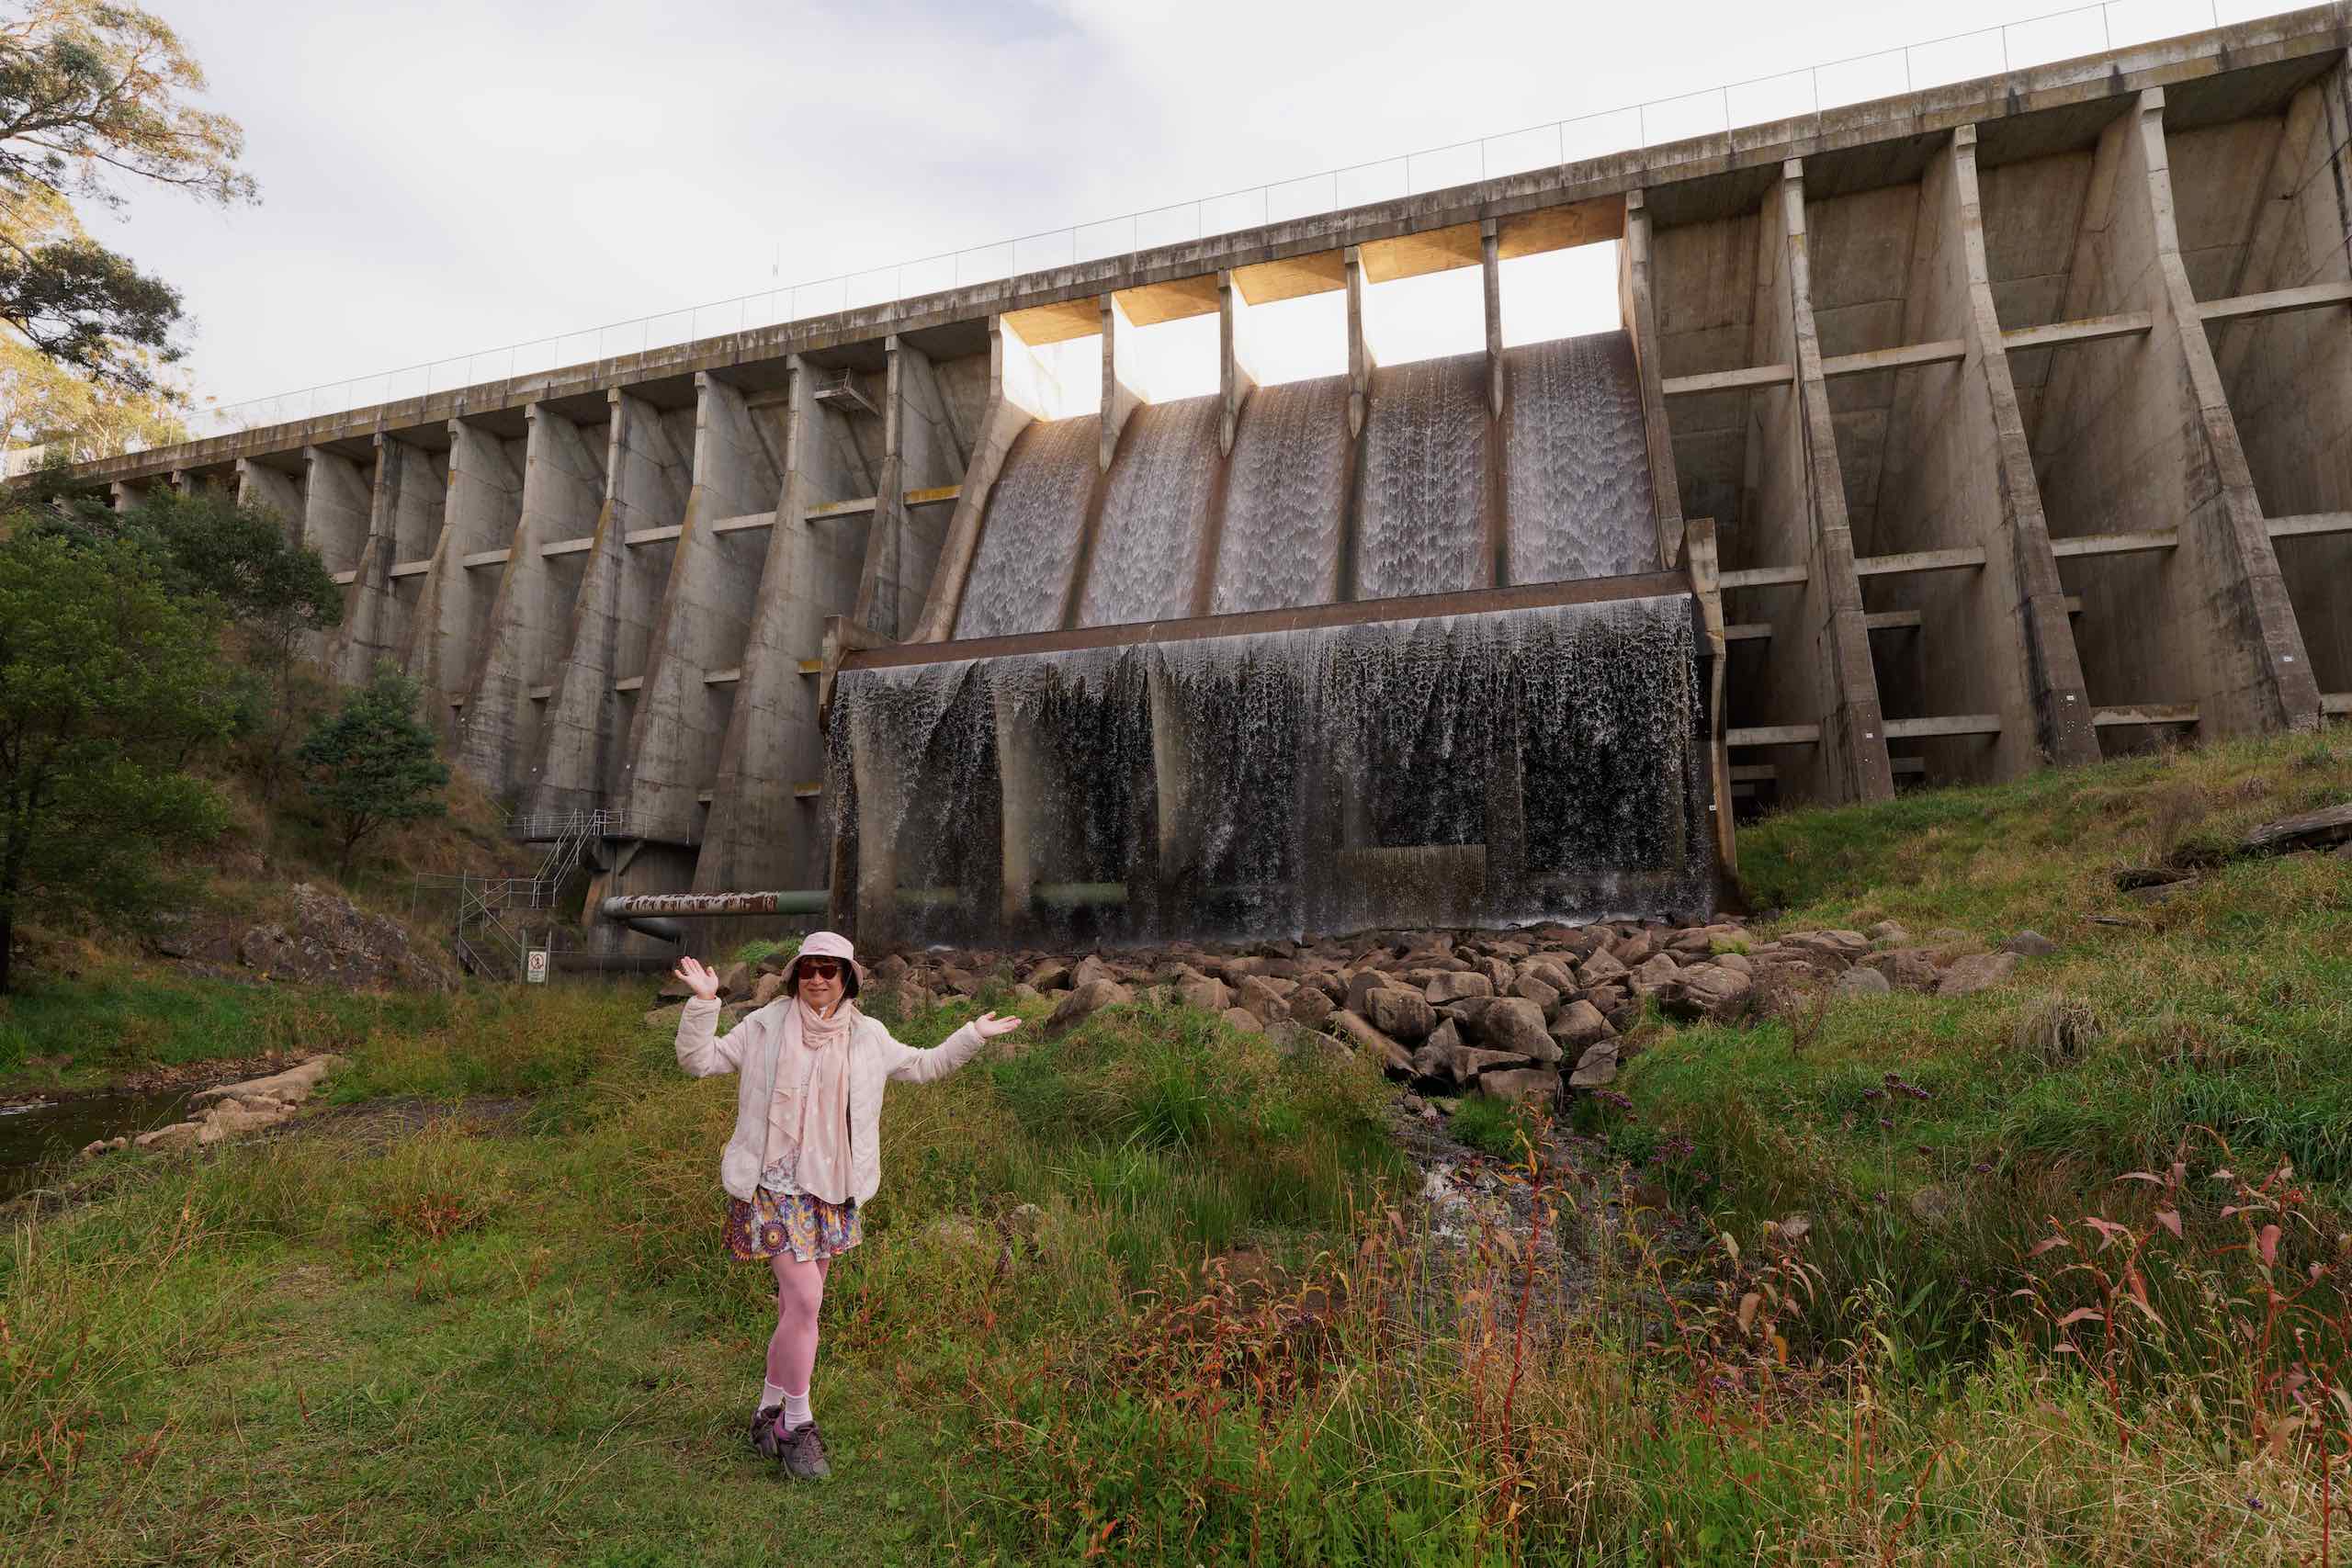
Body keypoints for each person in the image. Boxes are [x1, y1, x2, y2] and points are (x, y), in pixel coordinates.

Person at [671, 931, 1021, 1480]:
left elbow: (926, 1065)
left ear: (848, 978)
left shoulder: (868, 1036)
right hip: (770, 1187)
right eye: (808, 968)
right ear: (794, 975)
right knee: (807, 1300)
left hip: (829, 1189)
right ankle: (798, 1424)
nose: (817, 978)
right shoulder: (763, 1026)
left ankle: (766, 1412)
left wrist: (972, 1033)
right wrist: (704, 1003)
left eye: (829, 970)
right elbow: (699, 1060)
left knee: (796, 1310)